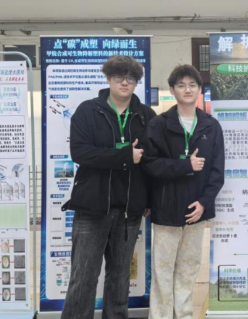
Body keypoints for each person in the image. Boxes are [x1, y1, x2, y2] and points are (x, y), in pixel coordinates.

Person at [61, 55, 156, 319]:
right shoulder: (88, 111)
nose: (125, 83)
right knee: (83, 275)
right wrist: (125, 156)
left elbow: (152, 162)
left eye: (131, 78)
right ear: (108, 79)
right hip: (92, 207)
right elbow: (81, 153)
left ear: (136, 82)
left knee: (120, 275)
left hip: (129, 209)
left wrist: (149, 199)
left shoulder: (146, 116)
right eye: (118, 77)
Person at [144, 64, 225, 319]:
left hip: (196, 211)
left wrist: (204, 203)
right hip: (166, 209)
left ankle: (184, 315)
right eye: (181, 85)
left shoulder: (211, 126)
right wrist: (184, 165)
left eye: (192, 85)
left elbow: (217, 172)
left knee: (188, 270)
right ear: (172, 90)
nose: (187, 90)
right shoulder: (158, 124)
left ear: (200, 90)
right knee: (163, 271)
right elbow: (149, 164)